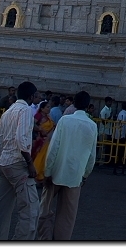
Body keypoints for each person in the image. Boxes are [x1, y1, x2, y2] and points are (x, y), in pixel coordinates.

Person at [37, 91, 98, 240]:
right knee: (67, 216)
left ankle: (43, 239)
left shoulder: (65, 121)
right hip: (75, 175)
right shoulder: (92, 125)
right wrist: (85, 175)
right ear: (88, 105)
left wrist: (48, 171)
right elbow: (92, 156)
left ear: (73, 104)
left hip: (56, 171)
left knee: (45, 209)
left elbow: (54, 148)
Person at [0, 80, 40, 240]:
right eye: (36, 95)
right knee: (31, 210)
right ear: (31, 96)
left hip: (4, 163)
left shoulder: (8, 112)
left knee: (1, 210)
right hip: (18, 164)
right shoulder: (26, 110)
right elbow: (22, 139)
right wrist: (30, 164)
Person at [32, 102, 56, 182]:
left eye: (49, 107)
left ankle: (41, 177)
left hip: (47, 140)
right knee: (39, 157)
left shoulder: (48, 117)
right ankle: (36, 175)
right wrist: (40, 129)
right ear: (42, 109)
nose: (49, 109)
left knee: (44, 158)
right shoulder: (38, 116)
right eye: (47, 107)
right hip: (40, 140)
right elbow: (33, 124)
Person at [114, 101, 126, 174]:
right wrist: (122, 135)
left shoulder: (122, 113)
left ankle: (119, 162)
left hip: (121, 134)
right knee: (120, 149)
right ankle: (119, 162)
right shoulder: (123, 114)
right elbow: (123, 125)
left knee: (120, 149)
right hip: (121, 135)